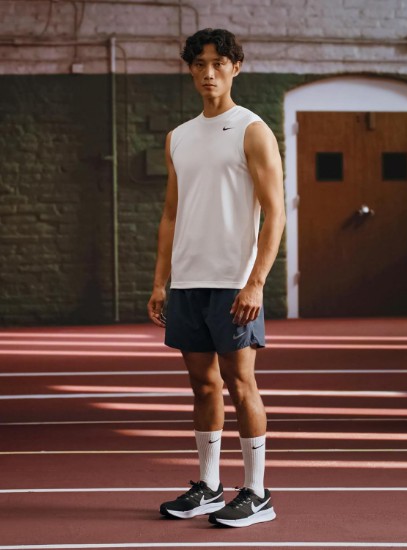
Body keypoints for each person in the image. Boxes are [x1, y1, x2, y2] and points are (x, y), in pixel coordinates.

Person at [147, 28, 285, 528]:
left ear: (235, 68)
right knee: (203, 386)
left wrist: (256, 282)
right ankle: (208, 486)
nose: (209, 73)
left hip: (233, 281)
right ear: (190, 70)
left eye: (219, 63)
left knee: (240, 382)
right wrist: (161, 281)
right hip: (188, 281)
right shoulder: (179, 136)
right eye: (199, 64)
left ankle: (257, 493)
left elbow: (276, 213)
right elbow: (170, 214)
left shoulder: (252, 129)